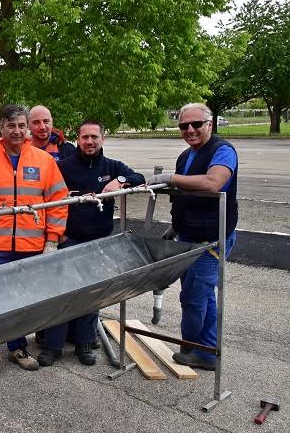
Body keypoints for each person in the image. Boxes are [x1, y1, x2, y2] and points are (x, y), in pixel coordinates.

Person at [0, 104, 69, 386]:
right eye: (10, 125)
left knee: (22, 302)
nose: (16, 130)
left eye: (21, 126)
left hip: (31, 245)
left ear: (27, 128)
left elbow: (58, 203)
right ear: (1, 126)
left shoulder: (44, 161)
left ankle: (17, 348)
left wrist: (51, 239)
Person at [37, 119, 145, 367]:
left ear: (102, 139)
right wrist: (59, 236)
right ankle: (53, 346)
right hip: (69, 240)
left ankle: (85, 343)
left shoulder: (111, 166)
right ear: (78, 138)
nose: (89, 141)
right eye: (85, 137)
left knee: (92, 295)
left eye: (94, 137)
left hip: (98, 242)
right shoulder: (63, 167)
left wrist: (119, 181)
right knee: (62, 294)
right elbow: (45, 196)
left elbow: (138, 177)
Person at [148, 102, 238, 371]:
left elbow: (213, 183)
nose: (189, 129)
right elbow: (184, 197)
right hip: (187, 236)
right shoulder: (186, 155)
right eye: (183, 125)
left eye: (196, 124)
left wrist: (170, 178)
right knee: (202, 295)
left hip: (210, 239)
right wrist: (174, 227)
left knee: (194, 297)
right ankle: (204, 349)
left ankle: (198, 350)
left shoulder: (223, 151)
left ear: (210, 124)